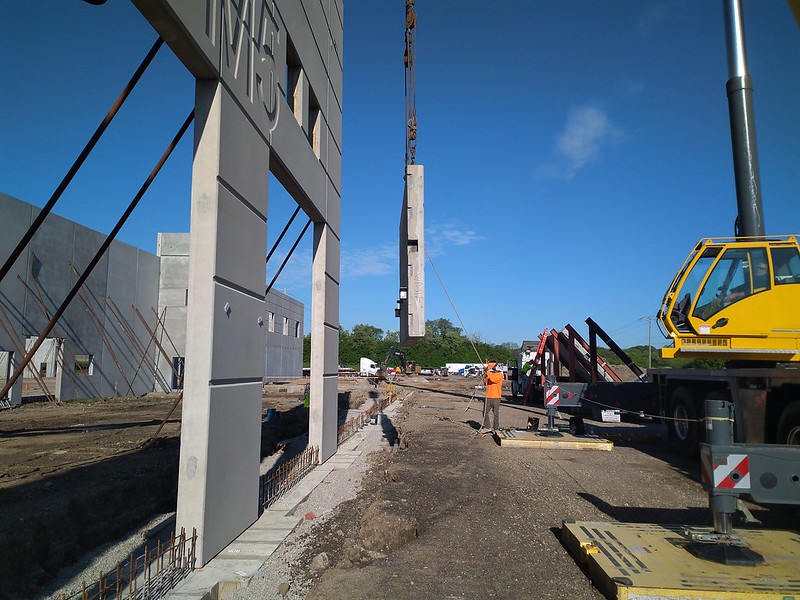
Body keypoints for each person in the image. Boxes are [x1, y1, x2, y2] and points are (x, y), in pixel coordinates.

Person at [480, 360, 504, 434]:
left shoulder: (499, 374)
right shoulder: (490, 375)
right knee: (485, 412)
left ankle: (496, 428)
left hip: (496, 397)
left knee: (495, 413)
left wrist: (487, 372)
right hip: (488, 396)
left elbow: (493, 379)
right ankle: (487, 427)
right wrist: (485, 376)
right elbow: (485, 383)